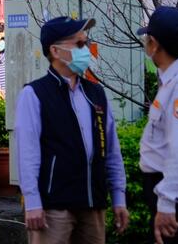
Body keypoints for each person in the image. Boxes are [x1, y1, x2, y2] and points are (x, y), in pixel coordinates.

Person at [15, 16, 128, 244]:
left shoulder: (96, 93)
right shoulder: (35, 94)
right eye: (79, 44)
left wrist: (119, 197)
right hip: (52, 207)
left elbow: (111, 151)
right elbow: (28, 154)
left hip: (92, 203)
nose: (85, 49)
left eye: (86, 43)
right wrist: (33, 201)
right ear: (55, 51)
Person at [137, 7, 178, 244]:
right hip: (170, 192)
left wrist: (167, 202)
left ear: (154, 44)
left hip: (176, 198)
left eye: (147, 39)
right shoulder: (171, 80)